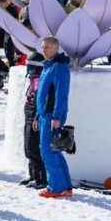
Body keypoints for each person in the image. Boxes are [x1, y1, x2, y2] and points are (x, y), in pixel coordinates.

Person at [36, 36, 73, 199]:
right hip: (45, 115)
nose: (44, 50)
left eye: (48, 47)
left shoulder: (59, 67)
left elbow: (61, 94)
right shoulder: (48, 65)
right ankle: (65, 186)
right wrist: (38, 115)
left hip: (52, 116)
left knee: (47, 151)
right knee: (55, 149)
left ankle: (56, 187)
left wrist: (57, 117)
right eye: (43, 47)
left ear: (56, 48)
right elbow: (42, 94)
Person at [21, 52, 47, 189]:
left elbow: (42, 101)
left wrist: (37, 116)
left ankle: (41, 178)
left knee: (33, 147)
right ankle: (32, 174)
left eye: (31, 67)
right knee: (27, 146)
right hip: (29, 111)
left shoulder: (41, 80)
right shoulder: (32, 79)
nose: (29, 70)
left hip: (35, 113)